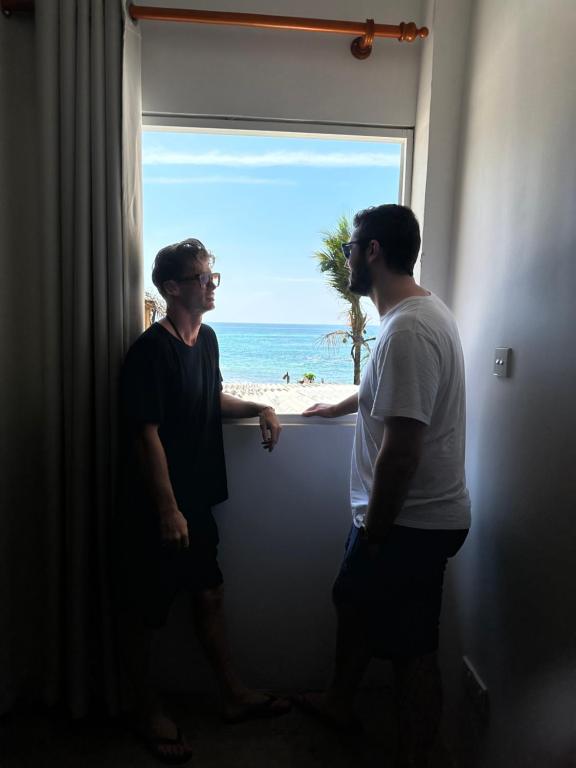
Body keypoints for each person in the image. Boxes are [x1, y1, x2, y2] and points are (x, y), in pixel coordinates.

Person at [300, 205, 470, 768]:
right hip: (407, 519)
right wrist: (341, 405)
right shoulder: (412, 317)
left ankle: (418, 754)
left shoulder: (410, 330)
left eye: (350, 248)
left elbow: (402, 449)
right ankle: (339, 703)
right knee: (352, 602)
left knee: (411, 650)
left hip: (408, 522)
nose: (347, 257)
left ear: (372, 251)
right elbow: (393, 391)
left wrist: (374, 532)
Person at [115, 238, 288, 765]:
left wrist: (260, 405)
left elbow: (209, 398)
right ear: (171, 288)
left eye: (213, 275)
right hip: (157, 506)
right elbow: (145, 434)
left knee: (209, 595)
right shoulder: (150, 351)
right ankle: (145, 709)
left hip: (199, 499)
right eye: (201, 277)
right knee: (147, 612)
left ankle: (231, 694)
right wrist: (167, 509)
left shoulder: (206, 339)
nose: (212, 285)